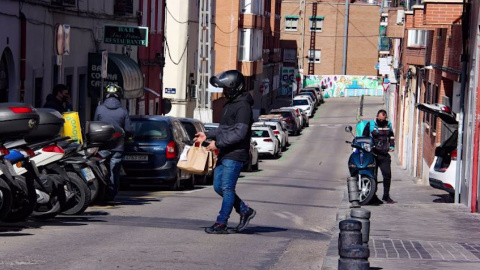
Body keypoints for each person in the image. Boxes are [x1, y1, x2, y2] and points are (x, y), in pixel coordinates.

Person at [194, 70, 256, 234]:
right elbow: (225, 129)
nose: (224, 92)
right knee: (218, 187)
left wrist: (218, 144)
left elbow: (239, 133)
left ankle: (221, 223)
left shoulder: (243, 107)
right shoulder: (230, 104)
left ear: (234, 87)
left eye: (226, 89)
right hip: (225, 152)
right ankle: (244, 210)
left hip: (235, 154)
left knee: (227, 188)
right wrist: (207, 135)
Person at [94, 83, 133, 201]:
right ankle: (111, 192)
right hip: (118, 146)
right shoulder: (123, 111)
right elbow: (129, 129)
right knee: (114, 170)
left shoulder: (99, 108)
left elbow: (95, 124)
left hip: (102, 145)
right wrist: (128, 139)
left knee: (99, 168)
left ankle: (101, 190)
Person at [363, 109, 396, 204]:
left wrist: (392, 146)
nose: (381, 121)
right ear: (377, 117)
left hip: (384, 155)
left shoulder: (388, 124)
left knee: (387, 175)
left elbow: (391, 136)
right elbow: (364, 137)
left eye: (383, 119)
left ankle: (386, 196)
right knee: (373, 176)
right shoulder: (370, 125)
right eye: (380, 119)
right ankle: (373, 197)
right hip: (373, 155)